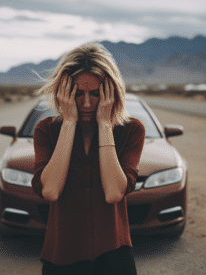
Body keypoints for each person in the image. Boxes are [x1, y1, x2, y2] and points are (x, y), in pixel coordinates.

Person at [32, 43, 145, 275]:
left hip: (114, 256)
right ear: (63, 93)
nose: (85, 103)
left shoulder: (131, 130)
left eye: (95, 94)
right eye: (76, 93)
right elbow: (51, 190)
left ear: (111, 92)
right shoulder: (46, 130)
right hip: (61, 256)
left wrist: (105, 124)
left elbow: (114, 192)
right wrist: (69, 123)